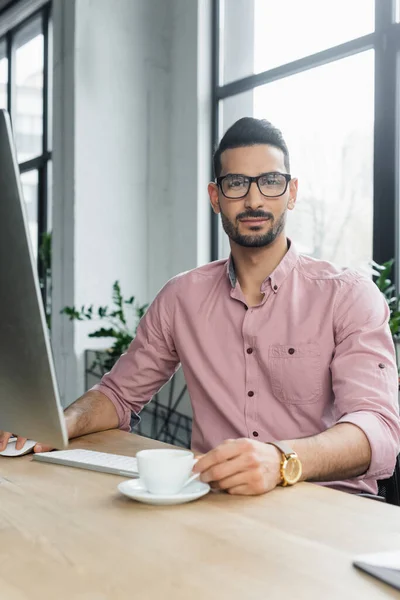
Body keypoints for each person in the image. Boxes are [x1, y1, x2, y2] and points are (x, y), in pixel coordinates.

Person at [2, 117, 400, 496]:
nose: (254, 199)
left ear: (291, 193)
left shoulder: (347, 295)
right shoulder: (181, 298)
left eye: (271, 182)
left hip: (328, 510)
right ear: (215, 197)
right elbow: (119, 395)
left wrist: (282, 461)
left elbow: (379, 428)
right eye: (236, 183)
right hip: (217, 504)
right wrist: (59, 425)